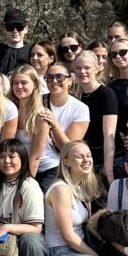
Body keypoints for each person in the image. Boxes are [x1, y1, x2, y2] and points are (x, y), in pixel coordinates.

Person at [44, 141, 124, 256]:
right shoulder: (61, 189)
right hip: (60, 253)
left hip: (76, 250)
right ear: (66, 161)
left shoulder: (80, 187)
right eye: (80, 157)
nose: (86, 160)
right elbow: (68, 235)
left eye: (88, 156)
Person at [31, 60, 89, 191]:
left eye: (59, 77)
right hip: (30, 162)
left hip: (56, 166)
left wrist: (55, 125)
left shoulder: (80, 109)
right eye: (49, 77)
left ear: (70, 80)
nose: (54, 81)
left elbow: (69, 149)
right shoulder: (36, 101)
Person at [71, 48, 118, 185]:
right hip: (83, 160)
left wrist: (108, 170)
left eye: (87, 68)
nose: (82, 71)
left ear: (97, 69)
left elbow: (109, 135)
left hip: (102, 160)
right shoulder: (77, 96)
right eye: (78, 68)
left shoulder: (106, 95)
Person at [8, 64, 48, 173]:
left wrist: (27, 181)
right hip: (17, 167)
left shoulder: (41, 115)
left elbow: (36, 157)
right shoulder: (10, 109)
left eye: (24, 82)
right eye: (15, 83)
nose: (19, 86)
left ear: (35, 84)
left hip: (42, 168)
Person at [0, 8, 29, 77]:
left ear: (26, 29)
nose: (15, 31)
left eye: (19, 27)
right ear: (4, 29)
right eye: (10, 27)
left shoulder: (32, 53)